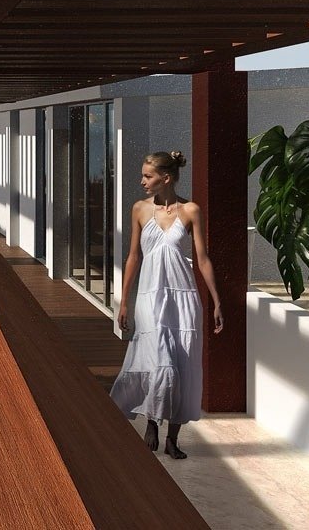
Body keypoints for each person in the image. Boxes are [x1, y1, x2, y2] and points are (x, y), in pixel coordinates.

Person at [110, 151, 224, 459]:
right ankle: (151, 421)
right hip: (149, 296)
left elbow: (202, 258)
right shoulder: (139, 209)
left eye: (148, 176)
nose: (142, 181)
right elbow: (133, 256)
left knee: (182, 365)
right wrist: (123, 302)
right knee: (158, 360)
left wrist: (215, 300)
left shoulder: (190, 211)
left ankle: (173, 438)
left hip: (183, 297)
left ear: (166, 178)